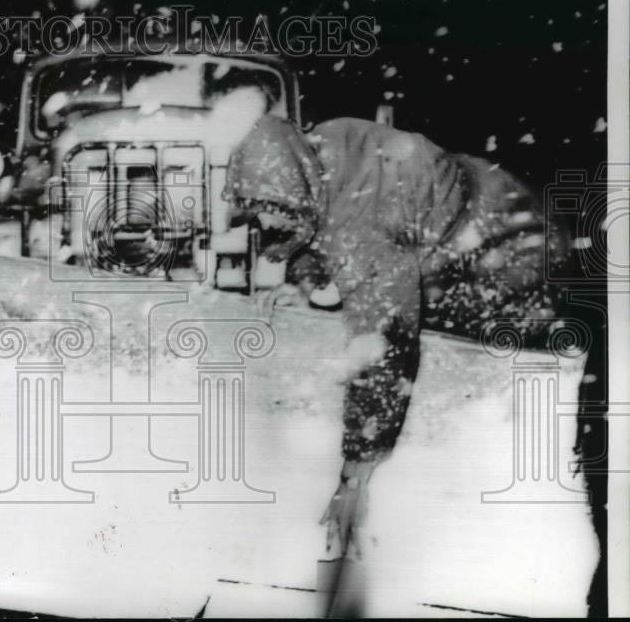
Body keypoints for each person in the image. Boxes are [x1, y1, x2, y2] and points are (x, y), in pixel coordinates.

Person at [223, 107, 573, 558]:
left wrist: (353, 477)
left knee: (496, 402)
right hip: (494, 212)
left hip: (514, 252)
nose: (266, 225)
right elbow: (319, 231)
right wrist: (307, 285)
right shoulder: (325, 150)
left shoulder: (364, 222)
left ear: (295, 184)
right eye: (257, 212)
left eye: (273, 210)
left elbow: (384, 349)